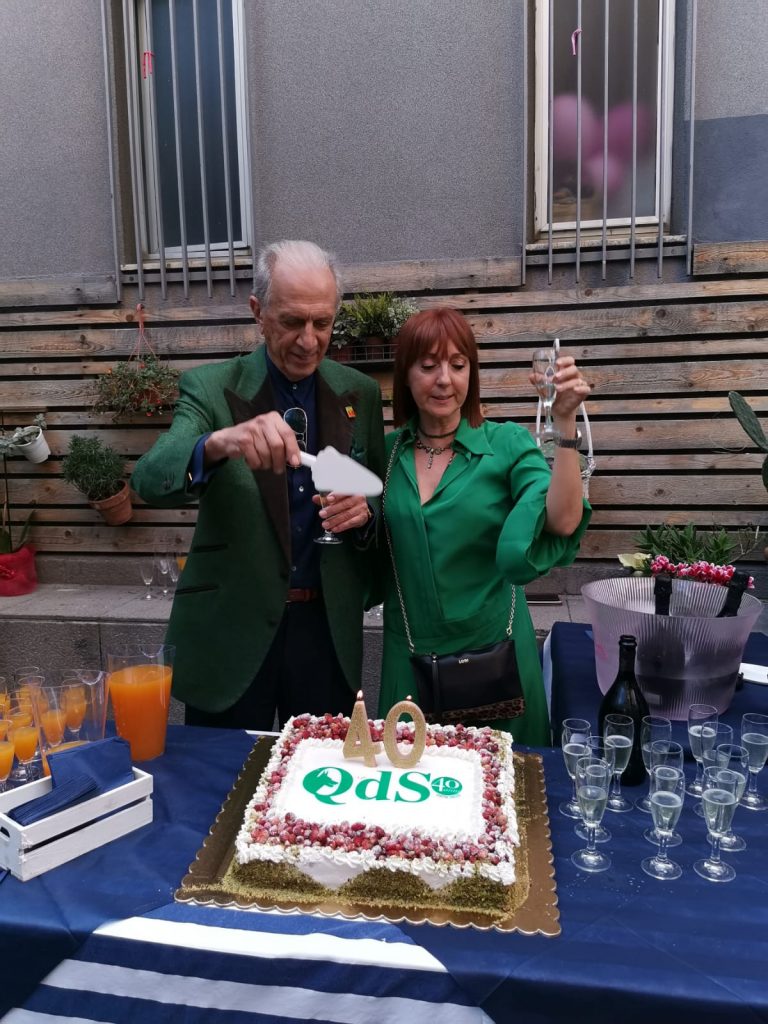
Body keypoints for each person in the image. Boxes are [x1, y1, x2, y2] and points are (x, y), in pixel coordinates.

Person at [132, 240, 385, 729]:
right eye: (292, 322)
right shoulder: (210, 388)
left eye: (323, 323)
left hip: (326, 634)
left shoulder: (362, 393)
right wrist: (219, 442)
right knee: (224, 774)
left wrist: (365, 514)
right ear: (258, 312)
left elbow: (377, 497)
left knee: (317, 773)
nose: (309, 340)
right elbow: (150, 478)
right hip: (232, 633)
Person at [377, 307, 591, 745]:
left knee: (503, 782)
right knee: (408, 779)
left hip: (497, 662)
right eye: (428, 366)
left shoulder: (506, 444)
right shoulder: (385, 453)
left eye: (458, 365)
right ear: (405, 375)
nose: (444, 380)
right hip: (409, 657)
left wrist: (565, 424)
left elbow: (563, 519)